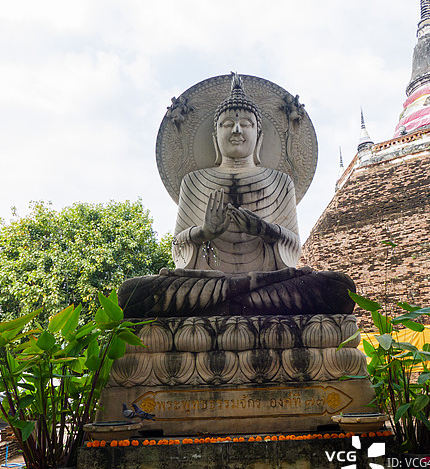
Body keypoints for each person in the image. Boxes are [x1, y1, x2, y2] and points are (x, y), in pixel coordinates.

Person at [119, 75, 355, 317]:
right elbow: (179, 246)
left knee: (337, 288)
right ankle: (239, 298)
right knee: (133, 293)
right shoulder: (193, 181)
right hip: (210, 284)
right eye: (227, 124)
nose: (237, 130)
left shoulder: (281, 181)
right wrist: (204, 232)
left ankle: (226, 302)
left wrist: (266, 230)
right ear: (215, 136)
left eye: (246, 123)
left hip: (266, 282)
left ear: (259, 135)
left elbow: (293, 247)